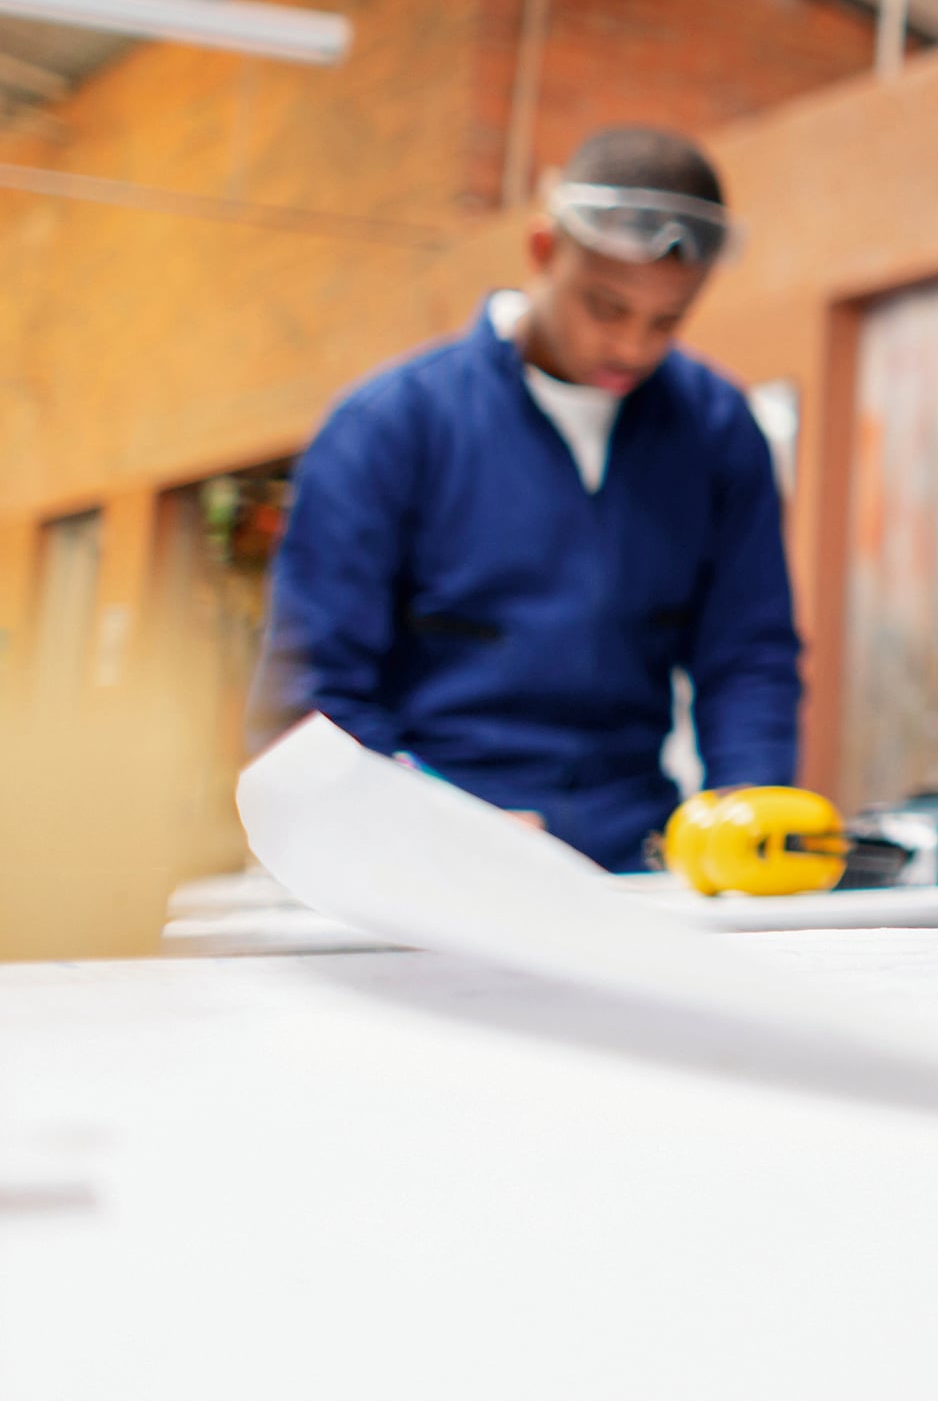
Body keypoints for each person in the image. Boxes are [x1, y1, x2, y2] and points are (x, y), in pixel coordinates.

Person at [259, 127, 802, 869]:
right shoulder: (389, 428)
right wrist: (426, 826)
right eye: (607, 307)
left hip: (627, 854)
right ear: (544, 249)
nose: (632, 348)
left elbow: (748, 656)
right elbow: (311, 695)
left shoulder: (717, 434)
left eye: (666, 322)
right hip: (424, 846)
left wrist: (749, 819)